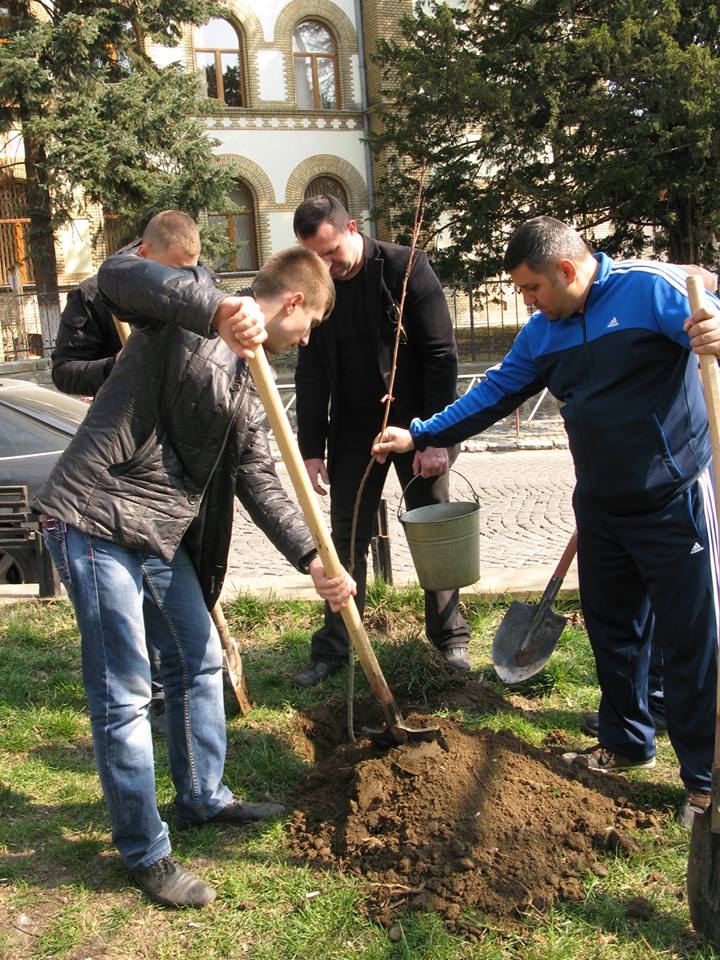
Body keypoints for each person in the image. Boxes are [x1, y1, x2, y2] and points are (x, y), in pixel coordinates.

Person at [33, 211, 355, 908]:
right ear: (292, 301)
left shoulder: (251, 377)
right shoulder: (191, 308)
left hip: (157, 534)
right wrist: (216, 308)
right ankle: (144, 852)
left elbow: (262, 478)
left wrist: (312, 558)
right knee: (124, 690)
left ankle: (204, 798)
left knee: (199, 659)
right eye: (312, 325)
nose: (307, 339)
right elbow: (116, 274)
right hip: (94, 517)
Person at [373, 216, 720, 825]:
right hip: (602, 504)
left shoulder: (650, 290)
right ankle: (627, 742)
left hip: (676, 498)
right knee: (613, 630)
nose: (527, 303)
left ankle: (704, 781)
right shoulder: (543, 334)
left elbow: (709, 322)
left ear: (566, 270)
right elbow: (494, 393)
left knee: (694, 642)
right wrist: (420, 432)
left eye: (532, 289)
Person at [290, 195, 471, 687]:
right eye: (315, 257)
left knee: (432, 528)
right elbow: (310, 375)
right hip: (350, 429)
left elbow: (441, 356)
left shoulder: (406, 267)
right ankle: (337, 644)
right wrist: (311, 450)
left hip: (417, 425)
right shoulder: (315, 286)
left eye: (330, 252)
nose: (325, 266)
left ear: (351, 227)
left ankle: (450, 636)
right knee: (344, 538)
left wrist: (436, 438)